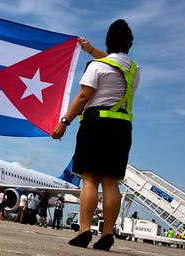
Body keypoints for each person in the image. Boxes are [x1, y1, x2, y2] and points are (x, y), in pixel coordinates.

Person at [53, 19, 140, 251]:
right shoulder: (134, 70)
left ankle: (84, 229)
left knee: (90, 178)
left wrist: (64, 122)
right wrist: (91, 50)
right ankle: (108, 232)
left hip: (96, 125)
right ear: (129, 45)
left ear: (107, 42)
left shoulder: (96, 67)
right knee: (111, 182)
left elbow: (83, 97)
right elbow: (113, 62)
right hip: (122, 128)